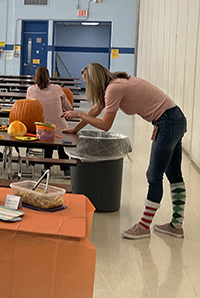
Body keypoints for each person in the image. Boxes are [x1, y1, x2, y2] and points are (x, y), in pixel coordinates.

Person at [63, 63, 187, 240]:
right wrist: (75, 130)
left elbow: (105, 125)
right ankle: (176, 225)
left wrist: (79, 115)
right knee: (174, 174)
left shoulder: (114, 89)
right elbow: (95, 110)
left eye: (87, 83)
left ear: (95, 81)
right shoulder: (116, 84)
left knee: (154, 175)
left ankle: (144, 227)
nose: (87, 88)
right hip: (175, 118)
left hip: (167, 122)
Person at [26, 66, 72, 160]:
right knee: (60, 140)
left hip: (40, 130)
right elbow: (69, 108)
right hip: (60, 129)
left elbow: (28, 110)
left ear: (35, 78)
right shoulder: (58, 89)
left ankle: (47, 166)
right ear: (48, 77)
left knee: (47, 136)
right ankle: (65, 168)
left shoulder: (30, 90)